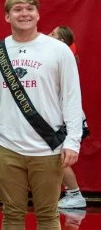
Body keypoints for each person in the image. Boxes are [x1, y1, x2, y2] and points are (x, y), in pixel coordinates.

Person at [0, 0, 83, 230]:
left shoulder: (58, 51)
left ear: (38, 15)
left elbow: (72, 98)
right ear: (7, 16)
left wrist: (72, 141)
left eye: (29, 9)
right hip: (6, 145)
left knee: (47, 214)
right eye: (17, 9)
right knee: (12, 214)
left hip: (48, 148)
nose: (24, 13)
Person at [50, 26, 87, 210]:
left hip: (68, 118)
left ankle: (75, 194)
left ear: (62, 41)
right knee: (55, 160)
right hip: (63, 117)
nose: (48, 36)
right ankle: (63, 195)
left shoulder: (64, 59)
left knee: (59, 158)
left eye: (52, 34)